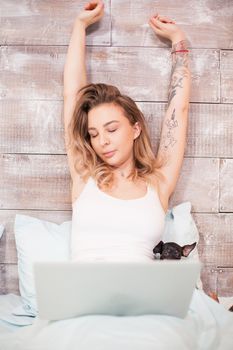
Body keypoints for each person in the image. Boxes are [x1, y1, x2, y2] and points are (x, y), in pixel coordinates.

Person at [63, 0, 191, 262]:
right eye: (94, 134)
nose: (102, 141)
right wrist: (79, 27)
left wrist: (178, 42)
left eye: (111, 129)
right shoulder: (84, 175)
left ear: (135, 129)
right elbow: (72, 97)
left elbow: (179, 112)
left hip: (142, 300)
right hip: (86, 298)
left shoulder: (158, 183)